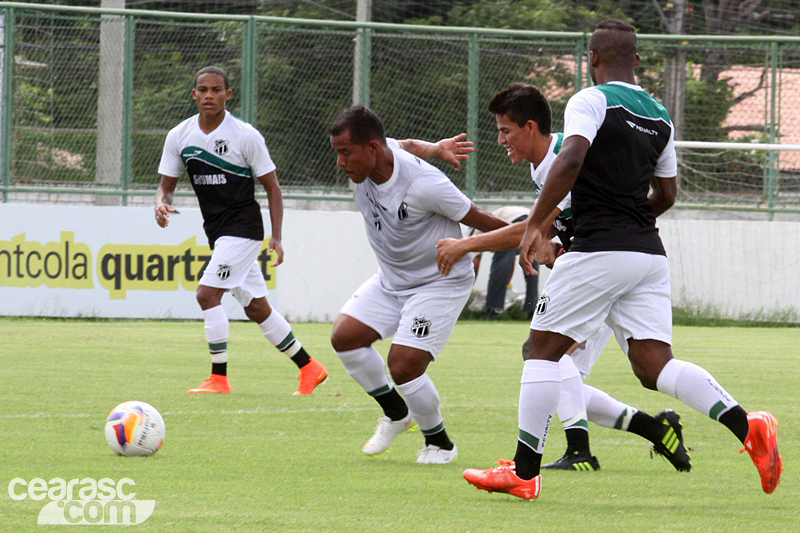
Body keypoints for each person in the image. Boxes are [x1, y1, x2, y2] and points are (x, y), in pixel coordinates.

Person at [462, 20, 782, 500]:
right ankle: (748, 424)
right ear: (636, 59)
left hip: (599, 249)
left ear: (593, 58)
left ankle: (523, 474)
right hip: (648, 254)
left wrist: (535, 225)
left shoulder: (590, 101)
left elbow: (570, 160)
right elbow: (668, 193)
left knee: (539, 352)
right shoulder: (660, 114)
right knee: (654, 367)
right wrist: (627, 222)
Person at [436, 83, 689, 472]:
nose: (500, 139)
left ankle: (577, 450)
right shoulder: (545, 167)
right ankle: (652, 430)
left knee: (548, 362)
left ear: (531, 127)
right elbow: (553, 229)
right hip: (603, 266)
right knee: (557, 374)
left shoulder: (561, 158)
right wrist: (553, 245)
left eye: (505, 130)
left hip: (603, 271)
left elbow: (533, 227)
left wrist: (466, 246)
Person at [328, 105, 507, 464]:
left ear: (372, 149)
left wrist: (535, 239)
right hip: (393, 280)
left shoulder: (426, 185)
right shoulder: (381, 153)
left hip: (439, 282)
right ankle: (397, 413)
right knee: (345, 338)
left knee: (404, 364)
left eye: (346, 153)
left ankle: (440, 444)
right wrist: (436, 148)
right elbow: (406, 143)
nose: (340, 163)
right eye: (338, 153)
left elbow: (482, 219)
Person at [154, 65, 328, 396]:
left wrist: (276, 236)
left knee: (207, 294)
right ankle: (310, 368)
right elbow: (166, 188)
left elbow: (273, 188)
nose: (209, 95)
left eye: (216, 90)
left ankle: (218, 378)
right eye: (202, 90)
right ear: (194, 95)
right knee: (256, 307)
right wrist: (160, 204)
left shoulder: (245, 135)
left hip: (244, 229)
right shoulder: (179, 136)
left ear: (227, 95)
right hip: (218, 232)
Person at [471, 206, 538, 320]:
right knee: (531, 265)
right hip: (532, 222)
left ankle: (492, 310)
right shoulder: (490, 217)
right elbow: (509, 262)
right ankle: (532, 311)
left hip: (515, 222)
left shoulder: (477, 231)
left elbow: (474, 263)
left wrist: (468, 286)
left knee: (500, 261)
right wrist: (505, 285)